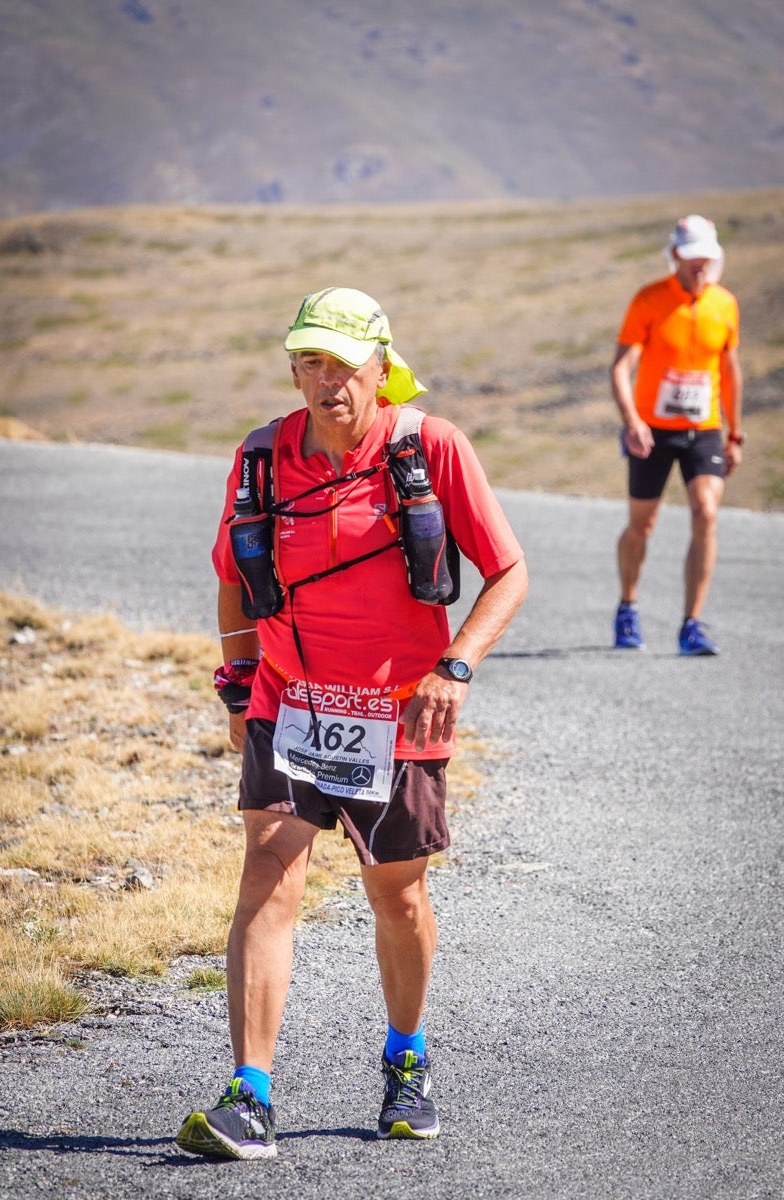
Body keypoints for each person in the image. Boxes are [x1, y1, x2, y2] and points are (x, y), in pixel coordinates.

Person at [176, 286, 528, 1159]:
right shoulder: (261, 457)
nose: (326, 379)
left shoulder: (430, 447)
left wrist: (457, 665)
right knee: (267, 876)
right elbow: (232, 571)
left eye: (342, 362)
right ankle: (248, 1094)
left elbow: (509, 572)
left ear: (382, 364)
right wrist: (238, 683)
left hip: (397, 711)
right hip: (289, 702)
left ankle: (406, 1060)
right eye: (309, 361)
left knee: (397, 894)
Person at [610, 214, 744, 655]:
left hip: (703, 428)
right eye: (690, 258)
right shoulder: (649, 300)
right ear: (675, 257)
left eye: (705, 257)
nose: (698, 265)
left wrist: (735, 433)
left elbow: (729, 369)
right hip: (652, 431)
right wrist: (633, 421)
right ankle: (628, 606)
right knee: (642, 525)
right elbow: (621, 368)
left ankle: (692, 624)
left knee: (706, 512)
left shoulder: (724, 304)